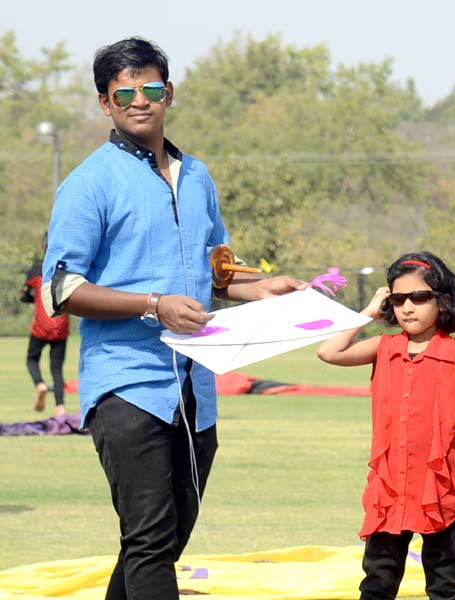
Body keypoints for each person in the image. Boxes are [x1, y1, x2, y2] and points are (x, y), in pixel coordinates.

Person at [42, 38, 307, 599]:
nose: (140, 101)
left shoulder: (198, 177)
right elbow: (61, 289)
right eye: (125, 92)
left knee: (162, 540)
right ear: (104, 103)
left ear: (170, 93)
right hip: (126, 386)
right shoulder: (89, 183)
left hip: (195, 385)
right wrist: (151, 304)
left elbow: (215, 271)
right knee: (150, 539)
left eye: (152, 88)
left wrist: (260, 288)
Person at [316, 251, 455, 600]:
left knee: (444, 582)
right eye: (399, 298)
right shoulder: (383, 347)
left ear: (441, 301)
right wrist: (369, 312)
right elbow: (328, 352)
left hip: (440, 488)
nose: (408, 307)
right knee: (378, 580)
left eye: (419, 298)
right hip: (389, 487)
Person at [21, 233, 70, 416]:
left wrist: (33, 299)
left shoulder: (35, 270)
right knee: (56, 368)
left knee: (31, 359)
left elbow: (23, 295)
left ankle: (40, 384)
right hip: (61, 325)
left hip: (41, 326)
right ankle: (60, 407)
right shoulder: (66, 270)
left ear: (43, 248)